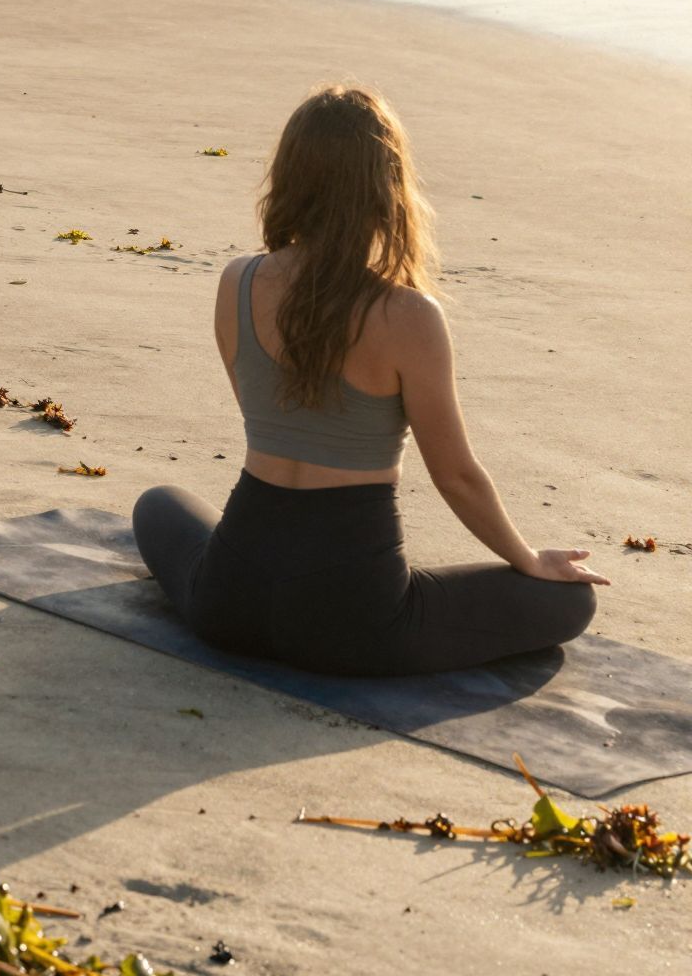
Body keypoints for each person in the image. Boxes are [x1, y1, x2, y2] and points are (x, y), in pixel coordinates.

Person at [132, 86, 604, 676]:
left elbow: (259, 411)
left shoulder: (238, 281)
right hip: (357, 624)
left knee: (156, 505)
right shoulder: (409, 317)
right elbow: (455, 477)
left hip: (228, 603)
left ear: (290, 178)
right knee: (571, 601)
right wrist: (527, 558)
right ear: (386, 189)